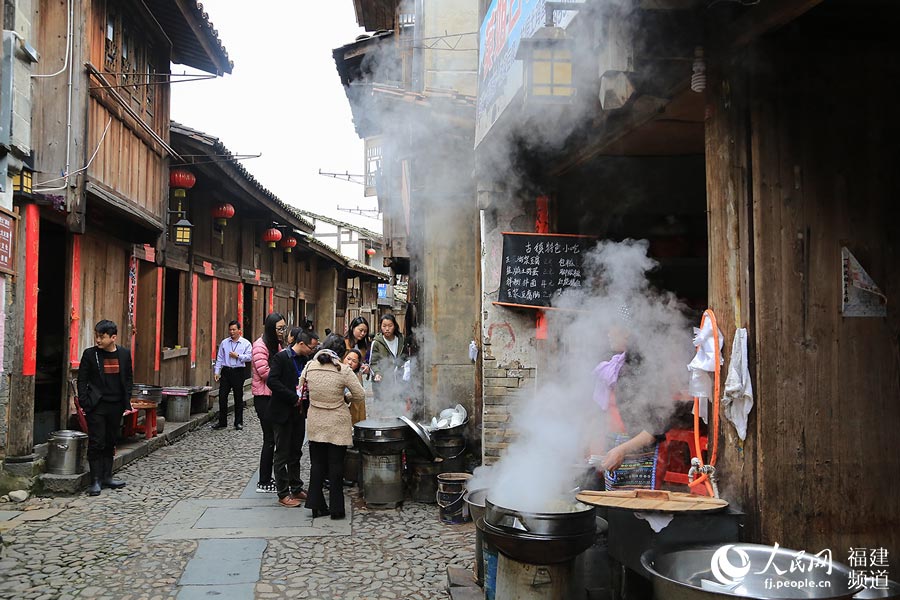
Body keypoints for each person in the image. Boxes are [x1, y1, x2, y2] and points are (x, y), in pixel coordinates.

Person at [302, 334, 365, 519]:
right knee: (336, 466)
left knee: (317, 464)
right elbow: (360, 395)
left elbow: (301, 388)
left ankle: (315, 504)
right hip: (337, 421)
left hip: (315, 419)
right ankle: (337, 509)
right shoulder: (343, 370)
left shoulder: (310, 366)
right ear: (340, 353)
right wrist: (345, 398)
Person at [77, 320, 133, 497]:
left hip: (116, 405)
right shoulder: (90, 354)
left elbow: (128, 377)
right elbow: (82, 379)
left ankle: (108, 476)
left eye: (102, 336)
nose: (98, 340)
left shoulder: (124, 354)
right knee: (96, 441)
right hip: (97, 405)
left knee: (111, 440)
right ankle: (95, 480)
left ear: (113, 337)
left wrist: (127, 398)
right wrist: (85, 402)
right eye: (97, 336)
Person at [267, 327, 319, 507]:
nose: (312, 351)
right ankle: (283, 493)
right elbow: (272, 381)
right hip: (282, 412)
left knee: (296, 451)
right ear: (301, 344)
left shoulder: (306, 360)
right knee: (282, 453)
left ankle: (296, 487)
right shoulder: (281, 358)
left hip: (299, 413)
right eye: (311, 348)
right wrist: (292, 396)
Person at [250, 312, 285, 494]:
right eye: (279, 328)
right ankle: (263, 481)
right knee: (269, 439)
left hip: (273, 397)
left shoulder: (275, 345)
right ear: (271, 328)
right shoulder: (259, 347)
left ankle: (267, 478)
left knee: (273, 439)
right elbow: (266, 374)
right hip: (264, 398)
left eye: (283, 328)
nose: (282, 332)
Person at [212, 320, 252, 430]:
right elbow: (219, 357)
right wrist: (217, 372)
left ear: (239, 331)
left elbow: (249, 357)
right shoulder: (225, 343)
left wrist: (238, 356)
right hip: (226, 371)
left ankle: (238, 422)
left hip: (238, 371)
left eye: (234, 329)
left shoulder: (246, 343)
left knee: (238, 397)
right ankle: (222, 422)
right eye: (230, 329)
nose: (232, 331)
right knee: (222, 396)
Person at [369, 314, 406, 403]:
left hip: (398, 380)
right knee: (383, 406)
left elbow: (405, 358)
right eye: (384, 326)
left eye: (390, 326)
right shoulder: (377, 342)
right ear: (380, 327)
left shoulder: (401, 340)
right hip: (382, 381)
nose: (387, 329)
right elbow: (373, 362)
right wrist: (377, 373)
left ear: (395, 326)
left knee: (398, 406)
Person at [342, 348, 367, 424]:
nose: (350, 363)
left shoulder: (357, 374)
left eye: (354, 361)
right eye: (348, 359)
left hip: (356, 411)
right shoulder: (338, 372)